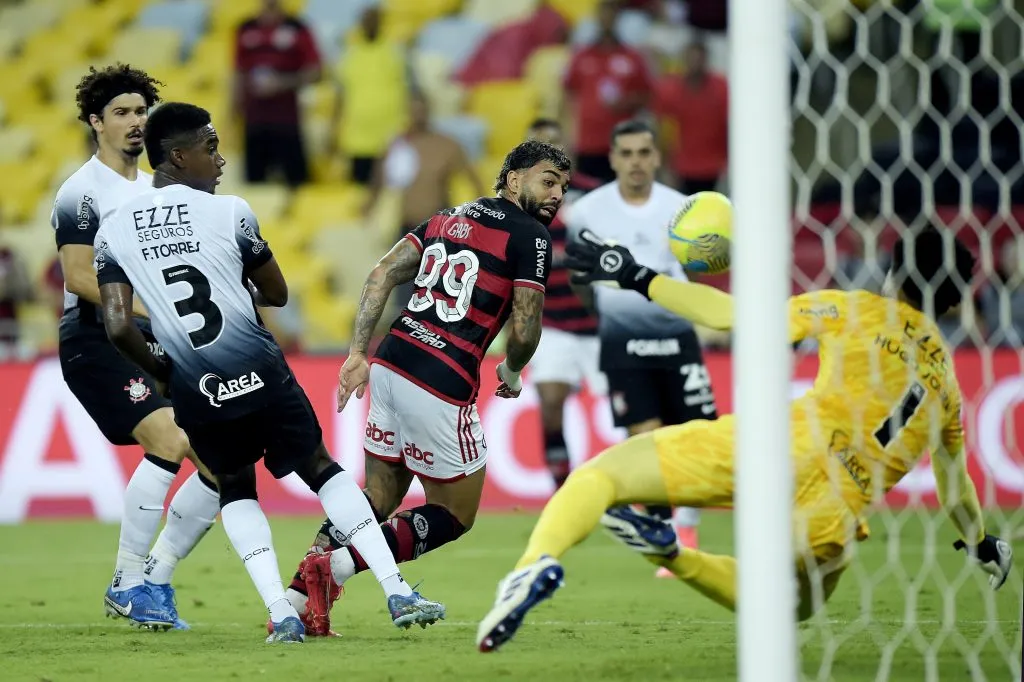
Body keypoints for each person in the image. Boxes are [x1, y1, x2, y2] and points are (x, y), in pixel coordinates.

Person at [476, 226, 1014, 652]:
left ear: (892, 268)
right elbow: (955, 485)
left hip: (776, 444)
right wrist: (982, 541)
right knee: (786, 605)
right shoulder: (946, 382)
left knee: (601, 476)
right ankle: (675, 557)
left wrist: (640, 276)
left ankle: (534, 565)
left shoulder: (854, 309)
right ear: (953, 300)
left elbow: (735, 317)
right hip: (837, 503)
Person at [94, 102, 446, 644]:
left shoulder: (113, 230)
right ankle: (397, 590)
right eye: (210, 149)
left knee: (234, 488)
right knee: (322, 469)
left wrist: (163, 371)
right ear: (177, 155)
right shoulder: (230, 211)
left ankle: (280, 613)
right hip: (261, 372)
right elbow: (277, 293)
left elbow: (118, 326)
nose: (221, 159)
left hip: (198, 387)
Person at [279, 140, 570, 637]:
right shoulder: (530, 237)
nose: (556, 194)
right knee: (456, 512)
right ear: (514, 178)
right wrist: (515, 369)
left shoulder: (443, 218)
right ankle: (335, 570)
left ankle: (294, 601)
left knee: (380, 494)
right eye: (548, 180)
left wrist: (357, 352)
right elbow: (525, 326)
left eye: (562, 185)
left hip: (391, 361)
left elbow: (381, 275)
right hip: (442, 377)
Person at [51, 64, 221, 631]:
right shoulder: (81, 190)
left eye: (140, 112)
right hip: (98, 338)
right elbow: (77, 277)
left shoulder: (160, 188)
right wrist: (158, 308)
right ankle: (127, 582)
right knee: (170, 437)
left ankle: (155, 579)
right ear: (96, 122)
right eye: (121, 113)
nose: (133, 122)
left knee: (227, 467)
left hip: (158, 337)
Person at [566, 118, 712, 565]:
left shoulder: (682, 208)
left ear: (656, 157)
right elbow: (578, 275)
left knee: (692, 438)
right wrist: (607, 312)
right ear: (612, 158)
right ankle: (666, 532)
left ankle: (686, 528)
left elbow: (698, 271)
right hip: (622, 340)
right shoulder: (588, 211)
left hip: (676, 336)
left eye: (643, 153)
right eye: (626, 153)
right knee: (644, 436)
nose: (635, 162)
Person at [524, 118, 603, 488]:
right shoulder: (516, 208)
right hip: (552, 324)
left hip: (602, 326)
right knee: (551, 409)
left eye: (553, 144)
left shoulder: (595, 196)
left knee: (629, 417)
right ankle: (563, 494)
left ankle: (646, 500)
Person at [232, 0, 322, 186]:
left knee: (296, 182)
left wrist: (283, 83)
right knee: (255, 184)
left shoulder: (297, 28)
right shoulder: (245, 28)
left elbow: (316, 71)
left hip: (286, 121)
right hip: (254, 121)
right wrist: (234, 108)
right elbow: (237, 72)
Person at [563, 0, 653, 183]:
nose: (607, 20)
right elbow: (568, 96)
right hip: (588, 144)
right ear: (597, 18)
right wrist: (568, 139)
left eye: (611, 15)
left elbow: (647, 96)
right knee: (589, 195)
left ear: (617, 19)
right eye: (603, 15)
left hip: (621, 143)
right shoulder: (582, 56)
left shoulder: (632, 57)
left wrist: (625, 103)